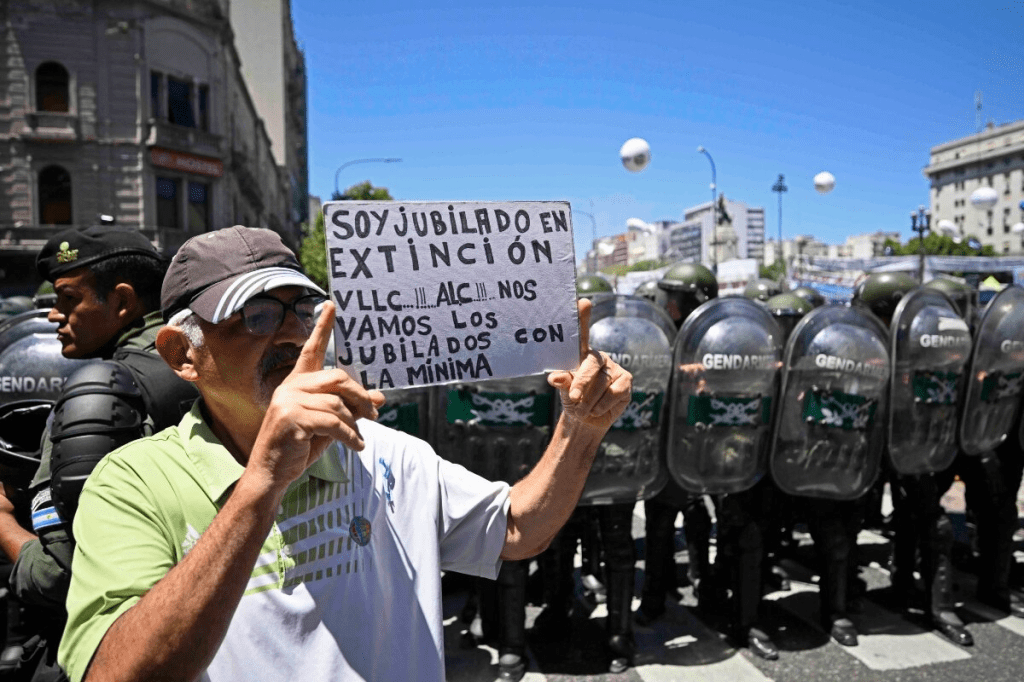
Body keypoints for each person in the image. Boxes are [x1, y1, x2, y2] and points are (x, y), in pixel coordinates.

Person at [57, 226, 633, 682]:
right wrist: (262, 485)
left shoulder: (377, 447)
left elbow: (516, 531)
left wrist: (579, 429)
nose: (291, 336)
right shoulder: (132, 481)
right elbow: (117, 673)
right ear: (182, 353)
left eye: (303, 314)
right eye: (255, 316)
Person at [0, 225, 198, 677]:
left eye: (68, 299)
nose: (53, 315)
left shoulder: (104, 393)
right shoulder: (201, 362)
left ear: (123, 301)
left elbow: (58, 575)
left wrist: (3, 520)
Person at [854, 272, 973, 646]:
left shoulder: (928, 345)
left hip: (908, 443)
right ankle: (843, 603)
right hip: (869, 443)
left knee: (931, 523)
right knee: (844, 525)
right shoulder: (860, 342)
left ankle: (938, 606)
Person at [636, 263, 716, 625]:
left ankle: (705, 586)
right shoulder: (659, 335)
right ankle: (655, 594)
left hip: (698, 445)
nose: (667, 306)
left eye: (675, 299)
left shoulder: (715, 340)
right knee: (659, 526)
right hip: (664, 447)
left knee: (698, 522)